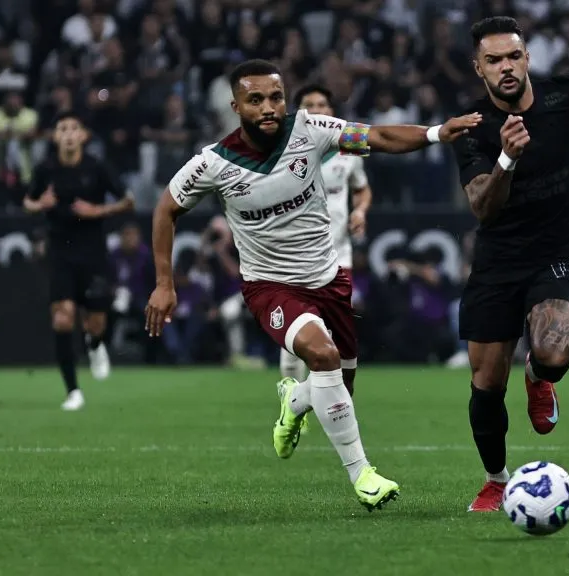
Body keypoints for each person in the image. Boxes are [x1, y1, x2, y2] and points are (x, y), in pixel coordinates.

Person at [144, 59, 479, 510]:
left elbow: (375, 137)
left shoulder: (310, 129)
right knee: (323, 358)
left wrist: (437, 133)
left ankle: (295, 401)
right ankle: (363, 476)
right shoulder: (213, 162)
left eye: (276, 97)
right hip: (271, 286)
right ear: (235, 106)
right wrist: (164, 283)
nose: (268, 107)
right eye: (255, 99)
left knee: (341, 384)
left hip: (328, 278)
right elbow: (165, 208)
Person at [450, 17, 569, 512]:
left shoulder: (560, 93)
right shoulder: (471, 127)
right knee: (487, 384)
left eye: (513, 56)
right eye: (494, 61)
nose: (506, 68)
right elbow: (482, 208)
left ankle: (539, 375)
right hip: (498, 261)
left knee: (554, 352)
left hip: (558, 250)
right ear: (479, 69)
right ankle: (495, 481)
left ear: (527, 58)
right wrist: (506, 160)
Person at [23, 111, 135, 410]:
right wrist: (40, 205)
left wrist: (96, 211)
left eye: (74, 128)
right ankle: (73, 391)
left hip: (93, 251)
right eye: (62, 129)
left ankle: (96, 344)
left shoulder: (97, 168)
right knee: (62, 316)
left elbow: (128, 200)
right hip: (60, 251)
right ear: (55, 136)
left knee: (96, 321)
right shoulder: (45, 169)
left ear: (84, 136)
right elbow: (28, 201)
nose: (69, 134)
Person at [279, 84, 374, 385]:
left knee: (336, 332)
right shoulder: (282, 151)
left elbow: (362, 189)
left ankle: (334, 399)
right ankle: (291, 401)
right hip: (295, 254)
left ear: (332, 113)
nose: (318, 110)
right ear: (298, 113)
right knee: (296, 332)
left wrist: (360, 211)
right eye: (310, 105)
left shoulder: (349, 150)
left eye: (323, 104)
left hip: (337, 254)